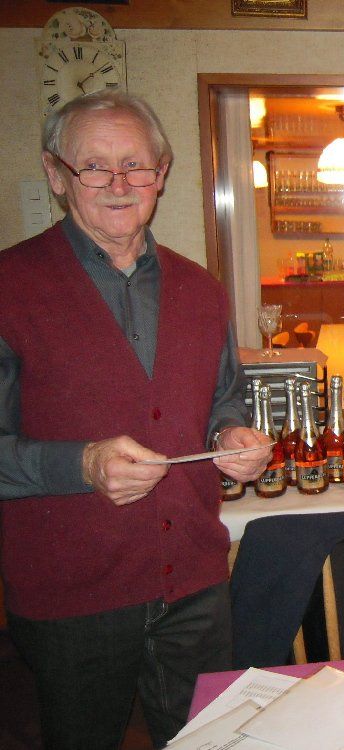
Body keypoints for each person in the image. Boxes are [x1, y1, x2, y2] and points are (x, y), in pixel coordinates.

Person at [0, 90, 270, 749]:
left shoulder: (201, 289)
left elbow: (224, 399)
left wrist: (231, 436)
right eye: (94, 166)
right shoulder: (9, 287)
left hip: (197, 584)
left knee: (209, 740)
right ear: (56, 174)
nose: (119, 184)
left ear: (162, 172)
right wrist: (80, 464)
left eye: (136, 165)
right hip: (72, 597)